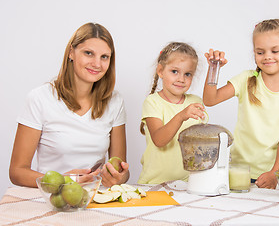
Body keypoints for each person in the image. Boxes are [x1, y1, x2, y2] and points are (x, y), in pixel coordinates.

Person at [9, 22, 129, 188]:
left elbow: (121, 168)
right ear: (71, 52)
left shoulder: (115, 101)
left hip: (94, 198)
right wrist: (63, 182)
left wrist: (118, 177)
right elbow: (17, 172)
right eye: (89, 53)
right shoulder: (39, 98)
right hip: (52, 198)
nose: (97, 64)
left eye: (104, 57)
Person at [203, 19, 279, 189]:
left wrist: (276, 172)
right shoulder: (246, 79)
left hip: (268, 176)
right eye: (260, 52)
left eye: (275, 51)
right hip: (237, 172)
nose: (267, 56)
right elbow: (210, 100)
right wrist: (214, 69)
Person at [138, 42, 206, 184]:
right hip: (154, 183)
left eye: (187, 74)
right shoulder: (153, 102)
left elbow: (202, 143)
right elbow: (159, 140)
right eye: (174, 71)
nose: (181, 79)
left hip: (188, 183)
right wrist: (181, 116)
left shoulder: (195, 101)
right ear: (161, 71)